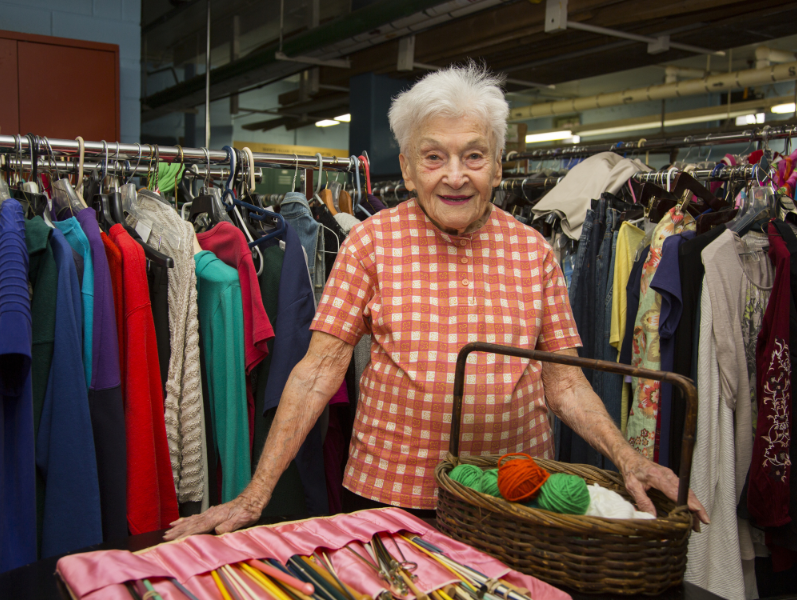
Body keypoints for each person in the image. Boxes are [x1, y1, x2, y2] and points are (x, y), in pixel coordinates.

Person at [165, 63, 707, 540]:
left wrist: (628, 459)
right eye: (434, 156)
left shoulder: (534, 250)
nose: (455, 175)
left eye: (474, 156)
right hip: (392, 497)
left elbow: (564, 381)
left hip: (513, 496)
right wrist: (252, 497)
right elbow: (316, 373)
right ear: (406, 168)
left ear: (497, 166)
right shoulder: (369, 243)